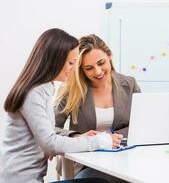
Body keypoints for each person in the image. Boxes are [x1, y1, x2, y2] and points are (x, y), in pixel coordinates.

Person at [0, 28, 122, 183]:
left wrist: (78, 136)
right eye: (71, 63)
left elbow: (47, 134)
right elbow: (50, 144)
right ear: (54, 62)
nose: (74, 69)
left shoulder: (44, 88)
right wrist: (102, 141)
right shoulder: (33, 93)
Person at [55, 34, 140, 180]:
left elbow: (141, 125)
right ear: (81, 69)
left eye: (101, 63)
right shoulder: (72, 90)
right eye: (89, 68)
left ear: (109, 56)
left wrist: (111, 138)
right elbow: (50, 128)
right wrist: (76, 136)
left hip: (125, 159)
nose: (98, 72)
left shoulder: (129, 84)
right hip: (86, 162)